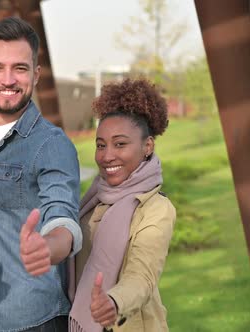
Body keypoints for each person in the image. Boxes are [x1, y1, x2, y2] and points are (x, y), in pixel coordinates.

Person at [0, 17, 82, 331]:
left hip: (34, 320)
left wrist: (50, 246)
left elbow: (63, 216)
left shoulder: (52, 145)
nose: (8, 79)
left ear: (36, 74)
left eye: (20, 68)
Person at [69, 78, 176, 332]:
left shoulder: (156, 209)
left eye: (120, 144)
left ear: (147, 146)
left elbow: (143, 276)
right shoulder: (94, 198)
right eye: (100, 145)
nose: (107, 156)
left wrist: (113, 302)